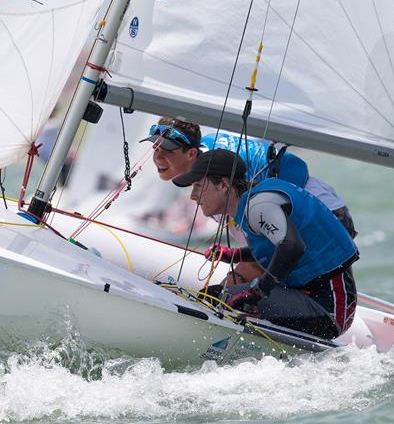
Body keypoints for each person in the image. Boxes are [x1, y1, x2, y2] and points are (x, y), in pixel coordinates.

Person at [173, 149, 358, 339]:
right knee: (213, 295)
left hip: (329, 311)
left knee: (224, 298)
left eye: (198, 186)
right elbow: (278, 248)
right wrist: (235, 255)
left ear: (223, 184)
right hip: (308, 298)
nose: (193, 196)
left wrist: (261, 290)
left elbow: (292, 246)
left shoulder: (259, 206)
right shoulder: (249, 207)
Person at [142, 117, 357, 238]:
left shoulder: (218, 172)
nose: (157, 157)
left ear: (191, 154)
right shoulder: (205, 155)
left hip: (326, 213)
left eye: (168, 151)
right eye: (155, 148)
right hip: (305, 207)